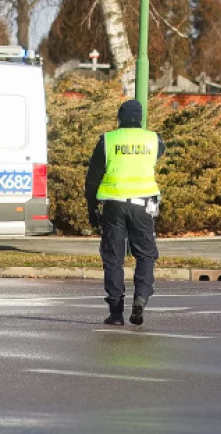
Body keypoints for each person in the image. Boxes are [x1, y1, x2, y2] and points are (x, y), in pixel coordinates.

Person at [85, 99, 166, 326]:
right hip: (143, 205)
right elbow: (158, 153)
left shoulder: (108, 140)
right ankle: (141, 296)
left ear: (119, 118)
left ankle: (116, 311)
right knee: (146, 255)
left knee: (113, 258)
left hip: (114, 204)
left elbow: (92, 179)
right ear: (140, 118)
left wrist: (91, 209)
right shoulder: (154, 140)